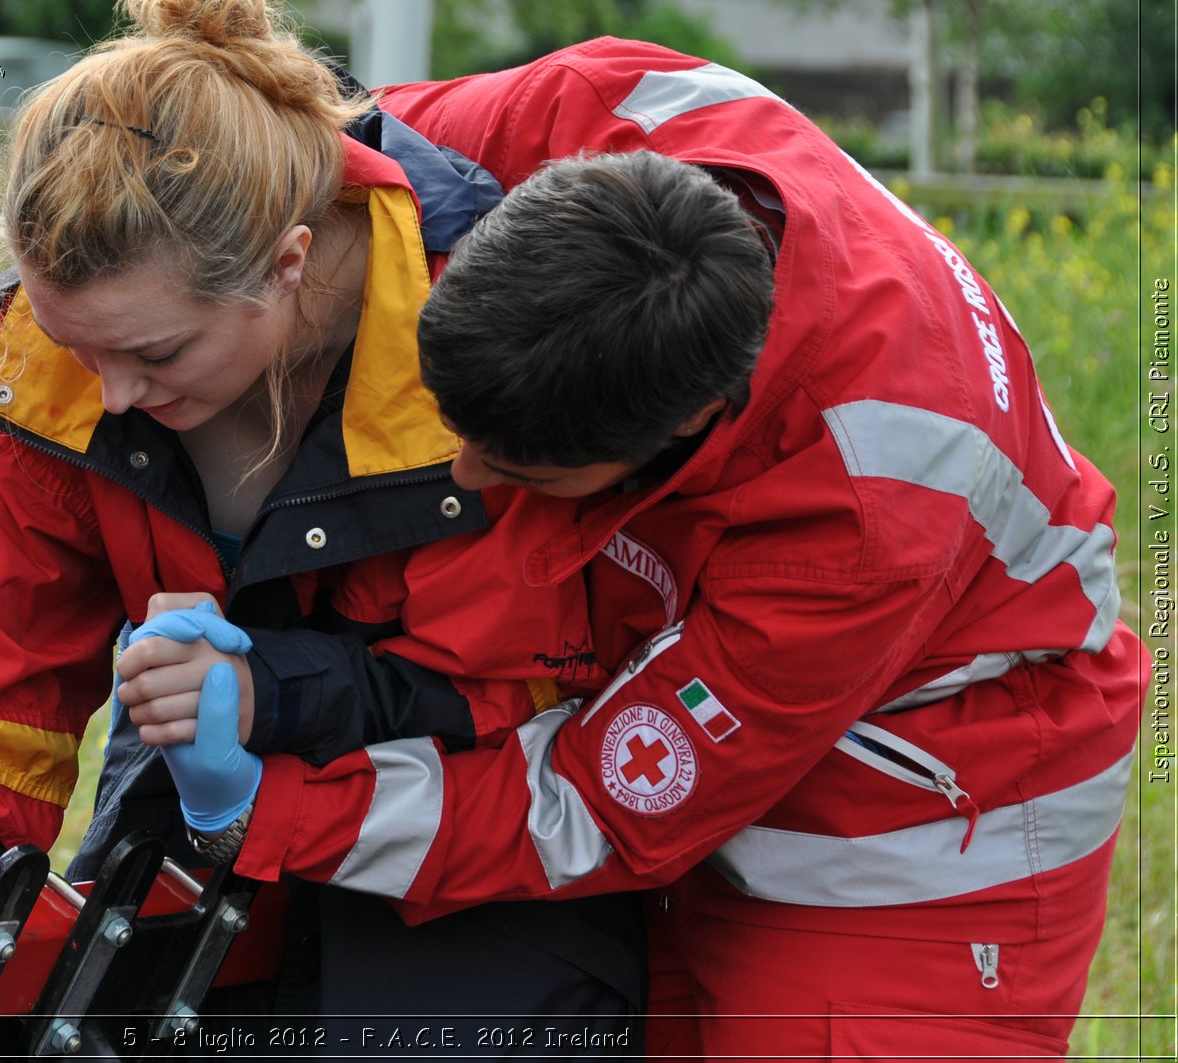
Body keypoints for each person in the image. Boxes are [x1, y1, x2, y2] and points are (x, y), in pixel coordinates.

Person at [148, 47, 1149, 1061]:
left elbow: (591, 804)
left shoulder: (861, 514)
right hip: (709, 687)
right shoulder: (589, 104)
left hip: (918, 811)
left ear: (687, 426)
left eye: (527, 474)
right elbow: (282, 189)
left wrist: (268, 811)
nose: (467, 474)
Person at [0, 0, 652, 1046]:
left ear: (288, 263)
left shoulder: (484, 336)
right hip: (192, 767)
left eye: (159, 355)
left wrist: (268, 691)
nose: (116, 395)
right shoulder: (46, 362)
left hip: (468, 838)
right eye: (79, 348)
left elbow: (519, 695)